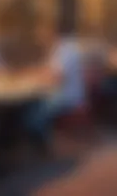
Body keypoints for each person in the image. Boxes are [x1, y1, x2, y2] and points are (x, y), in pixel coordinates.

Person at [25, 25, 87, 153]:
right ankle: (34, 139)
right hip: (55, 92)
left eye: (42, 37)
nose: (40, 41)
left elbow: (57, 77)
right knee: (28, 106)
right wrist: (35, 72)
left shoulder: (67, 50)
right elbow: (47, 70)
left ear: (52, 34)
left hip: (67, 96)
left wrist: (36, 77)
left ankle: (43, 146)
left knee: (34, 116)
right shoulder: (55, 49)